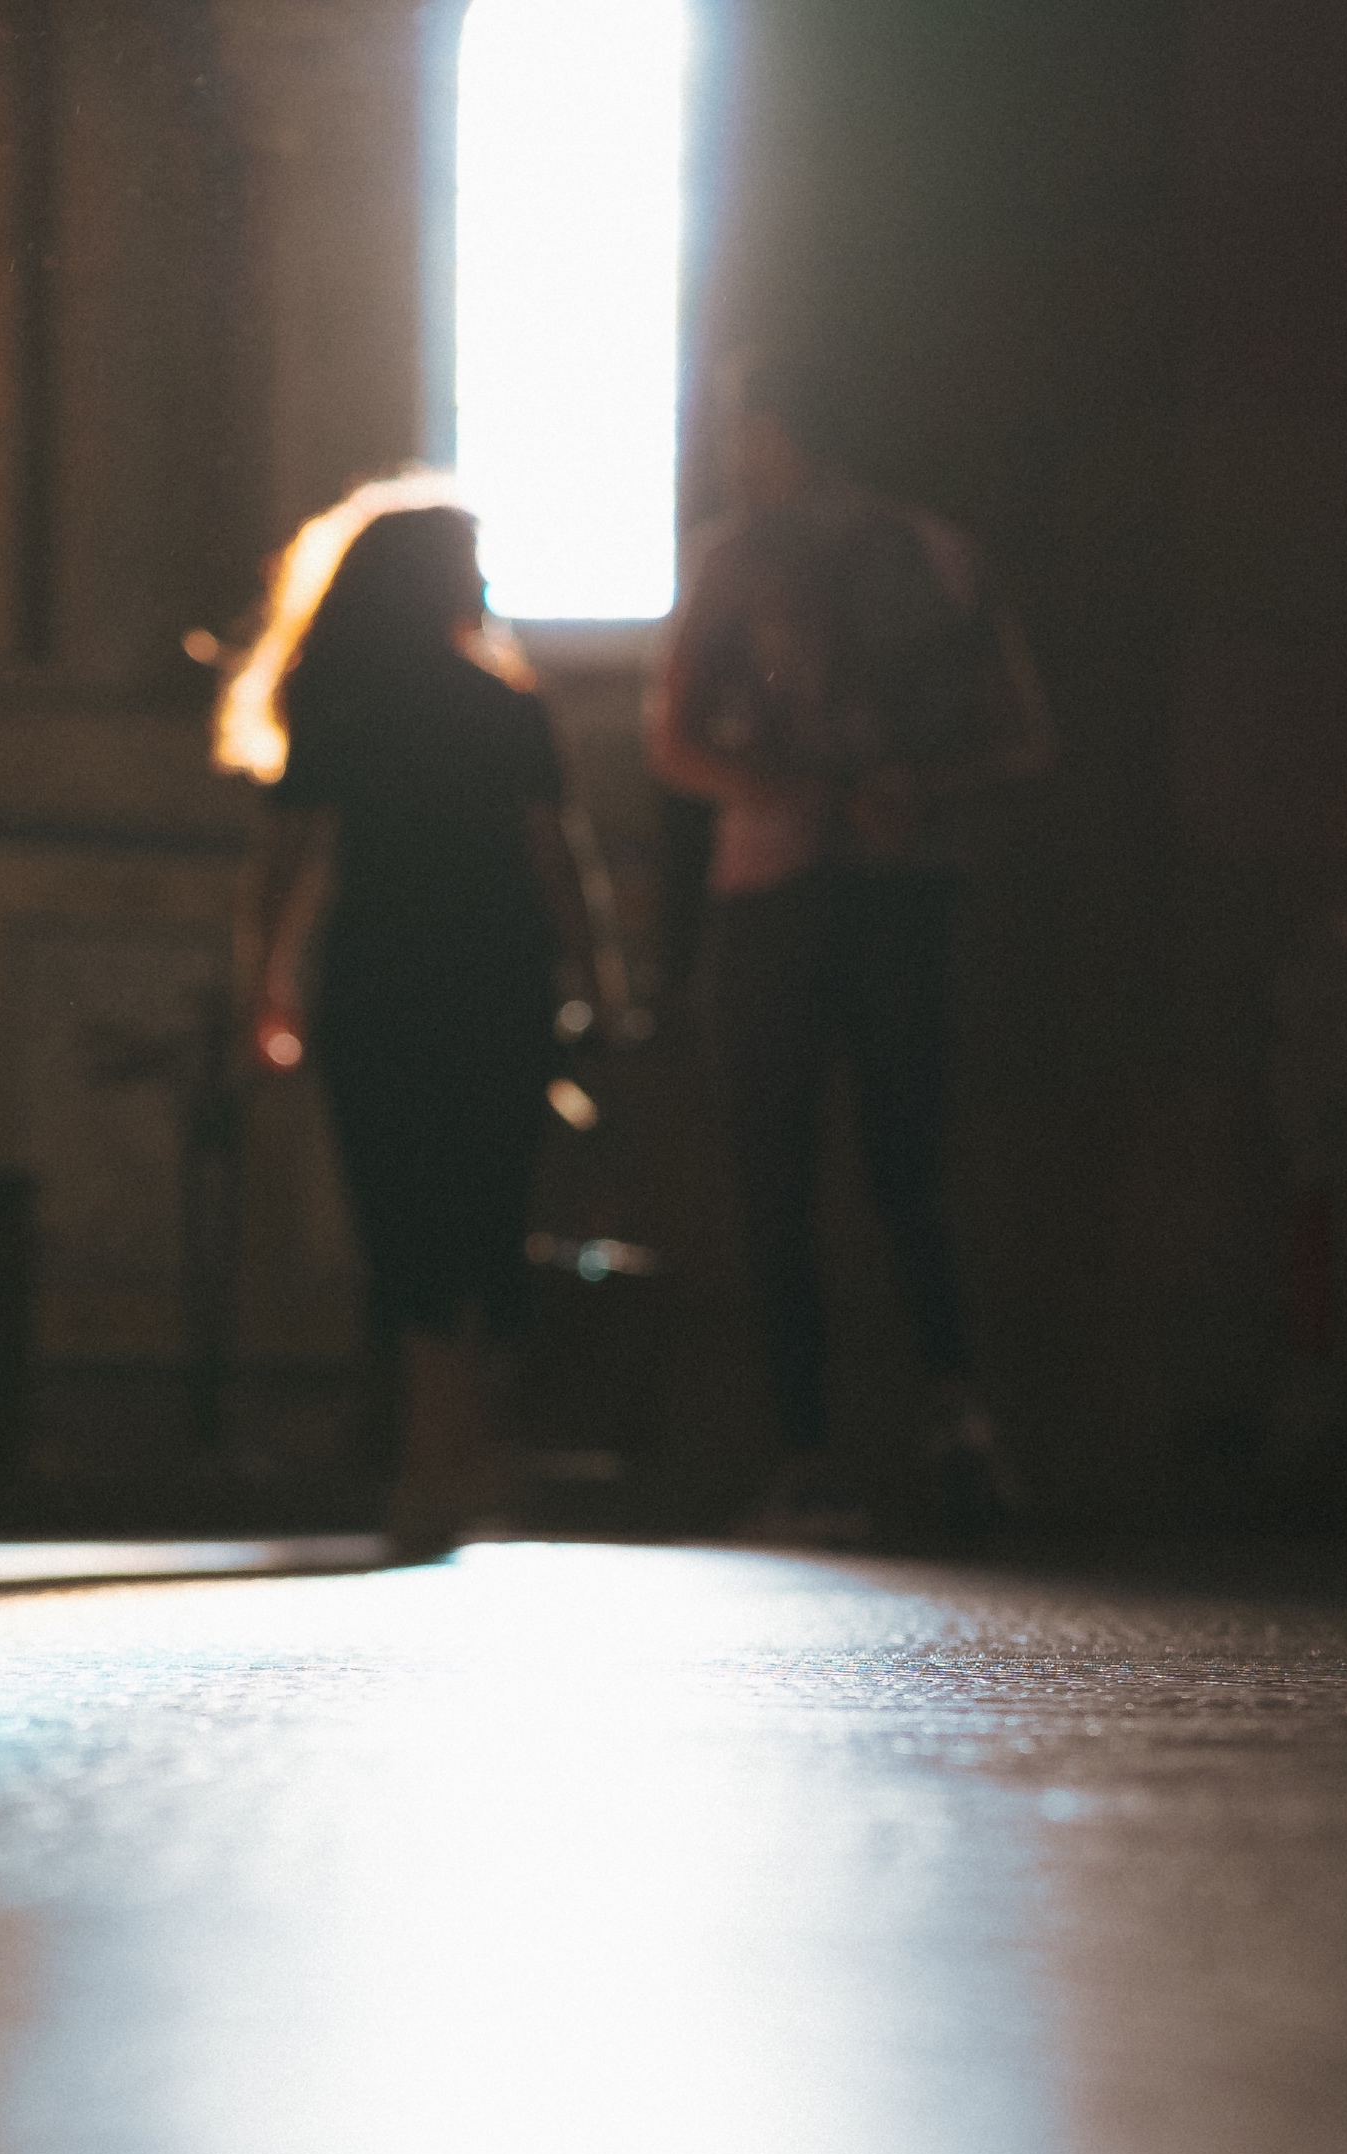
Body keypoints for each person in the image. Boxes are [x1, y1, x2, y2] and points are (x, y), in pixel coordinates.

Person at [648, 351, 1057, 1545]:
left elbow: (674, 739)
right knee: (906, 1167)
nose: (730, 454)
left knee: (778, 1173)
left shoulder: (739, 557)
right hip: (904, 887)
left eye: (740, 429)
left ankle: (814, 1456)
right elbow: (1026, 735)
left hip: (781, 895)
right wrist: (910, 787)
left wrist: (792, 792)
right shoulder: (938, 553)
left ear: (779, 432)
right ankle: (951, 1422)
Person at [216, 480, 629, 1556]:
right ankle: (452, 1450)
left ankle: (439, 1455)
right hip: (493, 980)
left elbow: (284, 868)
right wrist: (599, 979)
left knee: (403, 1216)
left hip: (380, 982)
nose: (488, 583)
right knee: (477, 1209)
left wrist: (266, 987)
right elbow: (558, 861)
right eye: (473, 562)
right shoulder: (499, 706)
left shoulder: (337, 699)